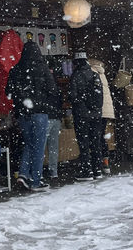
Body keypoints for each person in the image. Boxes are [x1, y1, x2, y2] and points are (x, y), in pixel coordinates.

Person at [6, 40, 57, 192]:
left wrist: (20, 103)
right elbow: (53, 90)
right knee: (39, 146)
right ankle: (36, 180)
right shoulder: (43, 69)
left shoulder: (16, 69)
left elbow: (8, 92)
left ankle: (23, 174)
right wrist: (43, 102)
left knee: (29, 143)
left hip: (23, 114)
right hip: (40, 113)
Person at [69, 51, 103, 181]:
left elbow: (73, 96)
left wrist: (79, 102)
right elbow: (100, 96)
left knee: (84, 142)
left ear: (76, 62)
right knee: (96, 141)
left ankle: (86, 170)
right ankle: (97, 169)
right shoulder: (95, 75)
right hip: (96, 114)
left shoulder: (75, 76)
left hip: (82, 115)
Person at [89, 58, 115, 175]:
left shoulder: (92, 72)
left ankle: (97, 164)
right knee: (102, 136)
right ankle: (105, 162)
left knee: (96, 137)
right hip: (106, 110)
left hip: (98, 110)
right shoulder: (102, 73)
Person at [44, 65, 63, 188]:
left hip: (46, 118)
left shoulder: (42, 86)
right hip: (56, 117)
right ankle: (53, 173)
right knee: (53, 147)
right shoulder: (56, 87)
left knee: (41, 146)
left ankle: (38, 173)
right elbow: (60, 102)